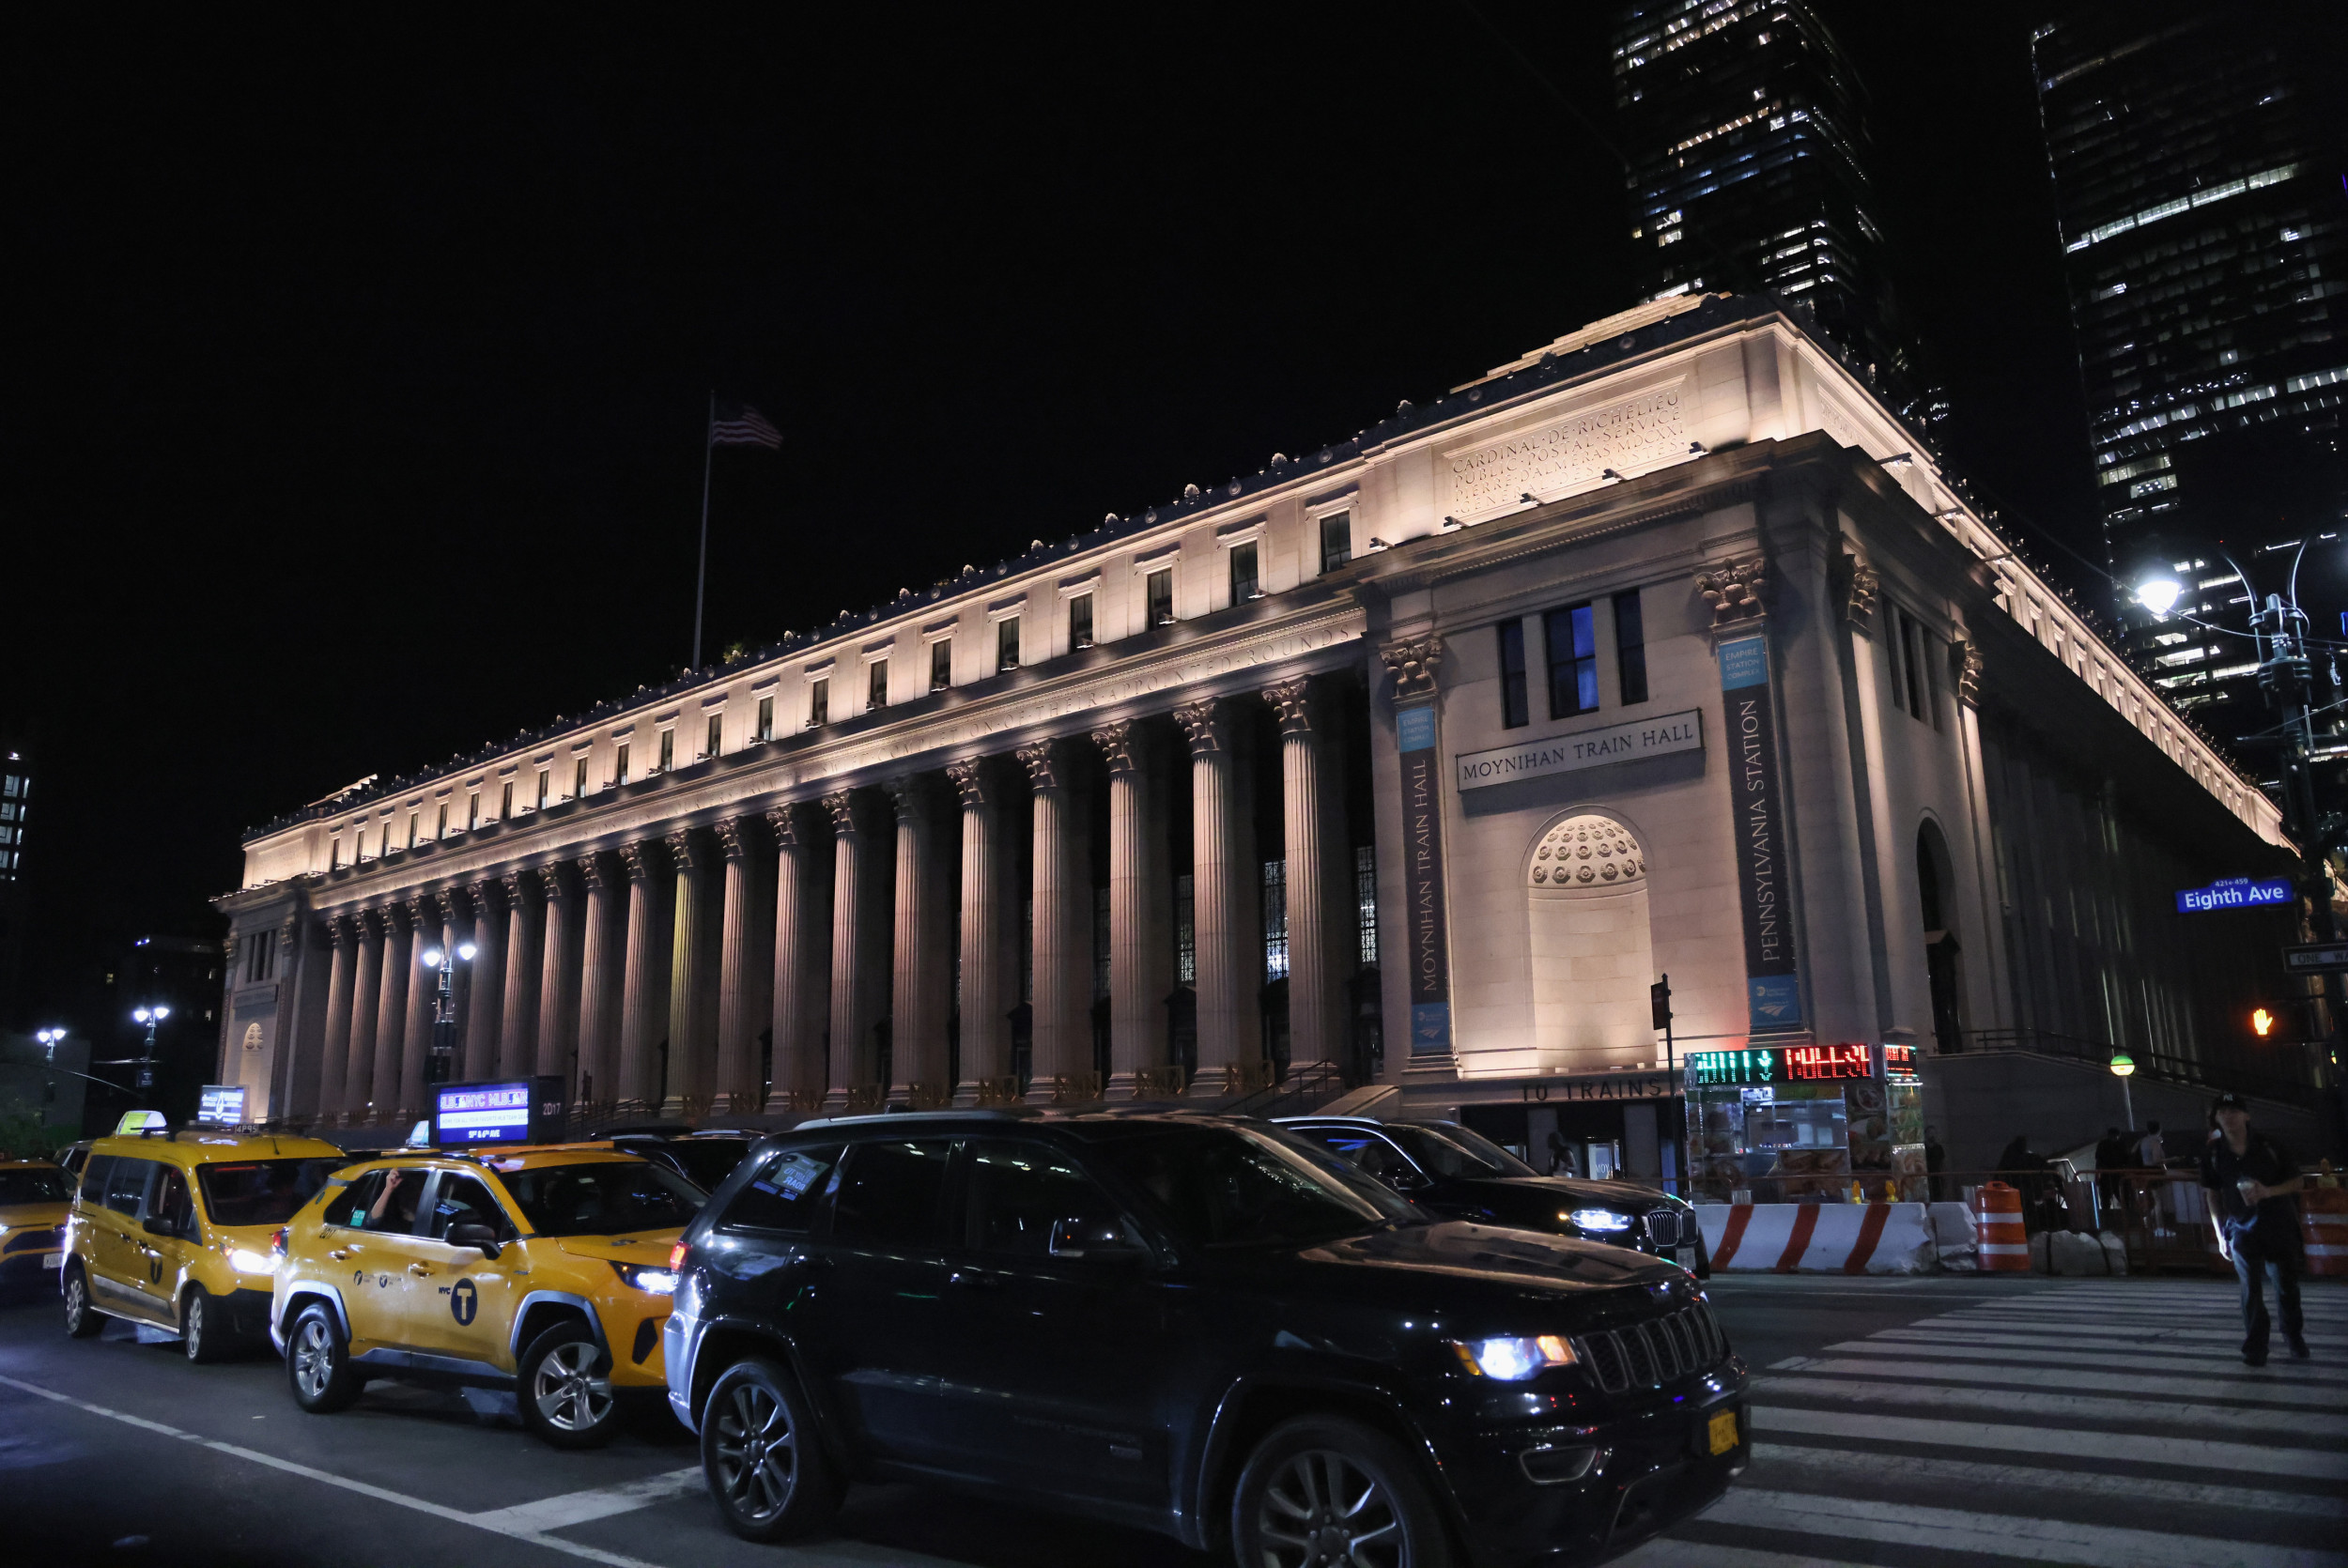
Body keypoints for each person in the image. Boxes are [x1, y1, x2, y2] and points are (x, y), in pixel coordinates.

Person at [2198, 1092, 2308, 1366]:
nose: (2227, 1116)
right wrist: (2220, 1232)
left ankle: (2293, 1336)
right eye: (2222, 1112)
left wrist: (2268, 1192)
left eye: (2234, 1111)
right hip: (2241, 1229)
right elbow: (2212, 1194)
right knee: (2250, 1290)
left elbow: (2297, 1182)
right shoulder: (2213, 1154)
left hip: (2278, 1225)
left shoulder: (2271, 1146)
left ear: (2247, 1116)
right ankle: (2256, 1348)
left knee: (2286, 1287)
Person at [1924, 1126, 1947, 1202]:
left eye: (1934, 1133)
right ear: (1926, 1134)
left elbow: (1942, 1162)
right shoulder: (1923, 1147)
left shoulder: (1938, 1147)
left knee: (1938, 1195)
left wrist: (1943, 1175)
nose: (1932, 1135)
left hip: (1937, 1175)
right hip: (1926, 1175)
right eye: (1930, 1133)